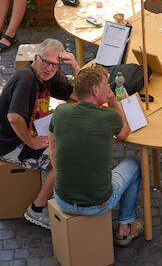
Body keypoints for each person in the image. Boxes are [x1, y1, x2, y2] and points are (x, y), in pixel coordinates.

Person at [48, 66, 144, 246]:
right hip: (96, 203)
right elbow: (125, 132)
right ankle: (124, 229)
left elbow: (52, 151)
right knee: (134, 164)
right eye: (106, 85)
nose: (108, 88)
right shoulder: (108, 117)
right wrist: (114, 101)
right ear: (95, 90)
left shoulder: (60, 112)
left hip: (62, 198)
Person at [0, 38, 79, 229]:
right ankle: (36, 209)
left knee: (71, 143)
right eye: (45, 61)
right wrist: (30, 141)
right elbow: (14, 117)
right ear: (35, 58)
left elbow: (78, 95)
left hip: (32, 131)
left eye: (55, 64)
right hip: (11, 144)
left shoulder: (50, 75)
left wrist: (76, 69)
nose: (49, 68)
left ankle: (59, 191)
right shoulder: (26, 79)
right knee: (64, 160)